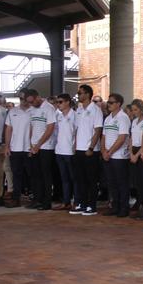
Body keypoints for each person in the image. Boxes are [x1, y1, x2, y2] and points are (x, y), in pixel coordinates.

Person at [70, 84, 103, 216]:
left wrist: (91, 147)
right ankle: (82, 204)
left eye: (81, 93)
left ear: (88, 94)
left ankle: (91, 205)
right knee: (80, 179)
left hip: (91, 150)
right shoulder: (78, 110)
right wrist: (75, 145)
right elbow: (77, 129)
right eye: (78, 93)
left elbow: (97, 130)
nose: (79, 95)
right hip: (79, 149)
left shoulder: (96, 110)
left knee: (91, 179)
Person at [101, 93, 131, 217]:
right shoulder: (108, 118)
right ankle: (115, 206)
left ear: (118, 104)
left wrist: (110, 151)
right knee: (111, 182)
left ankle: (124, 208)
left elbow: (122, 137)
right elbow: (103, 136)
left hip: (119, 156)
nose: (109, 104)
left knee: (121, 183)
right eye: (108, 102)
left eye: (111, 102)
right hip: (108, 155)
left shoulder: (123, 117)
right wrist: (103, 150)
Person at [26, 89, 56, 211]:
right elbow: (32, 127)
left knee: (45, 175)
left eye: (33, 101)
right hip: (34, 148)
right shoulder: (32, 109)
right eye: (29, 102)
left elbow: (50, 129)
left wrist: (38, 145)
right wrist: (31, 144)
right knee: (35, 175)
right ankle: (37, 199)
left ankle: (46, 201)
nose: (32, 104)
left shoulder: (49, 108)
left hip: (46, 147)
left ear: (38, 97)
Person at [4, 91, 31, 208]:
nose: (23, 101)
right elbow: (8, 129)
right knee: (16, 174)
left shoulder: (34, 111)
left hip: (30, 148)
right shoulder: (12, 111)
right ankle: (16, 198)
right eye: (21, 99)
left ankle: (35, 196)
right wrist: (7, 145)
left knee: (32, 174)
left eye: (25, 98)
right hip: (15, 148)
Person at [53, 93, 76, 211]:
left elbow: (77, 132)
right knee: (64, 178)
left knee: (74, 178)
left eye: (60, 102)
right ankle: (66, 201)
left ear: (68, 102)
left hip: (70, 151)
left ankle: (76, 201)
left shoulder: (75, 115)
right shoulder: (59, 116)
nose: (58, 104)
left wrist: (75, 147)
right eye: (57, 102)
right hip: (60, 150)